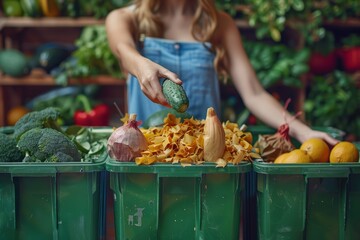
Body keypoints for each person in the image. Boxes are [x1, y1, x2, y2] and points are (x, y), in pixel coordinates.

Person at [105, 0, 338, 145]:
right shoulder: (125, 19)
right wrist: (140, 65)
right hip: (146, 152)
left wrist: (303, 131)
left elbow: (254, 94)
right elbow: (123, 50)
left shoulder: (220, 25)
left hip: (206, 155)